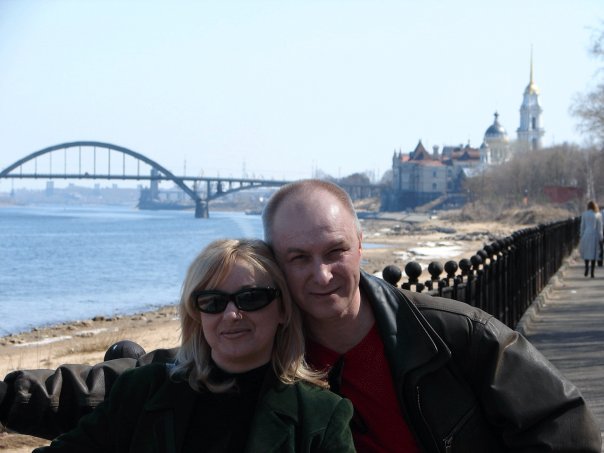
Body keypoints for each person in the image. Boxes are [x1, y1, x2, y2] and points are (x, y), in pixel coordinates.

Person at [1, 180, 602, 451]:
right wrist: (14, 393)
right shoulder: (260, 337)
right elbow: (140, 381)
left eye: (335, 252)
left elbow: (562, 423)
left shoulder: (450, 335)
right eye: (298, 258)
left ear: (360, 246)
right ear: (275, 266)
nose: (321, 275)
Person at [22, 238, 355, 452]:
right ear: (196, 314)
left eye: (251, 298)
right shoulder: (142, 392)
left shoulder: (320, 415)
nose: (231, 314)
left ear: (283, 310)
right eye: (212, 301)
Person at [579, 200, 603, 277]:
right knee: (593, 254)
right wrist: (601, 237)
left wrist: (581, 235)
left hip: (586, 234)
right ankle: (592, 272)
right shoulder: (598, 215)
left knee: (586, 252)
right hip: (594, 235)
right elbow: (599, 228)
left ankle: (586, 267)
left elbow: (582, 226)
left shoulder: (584, 214)